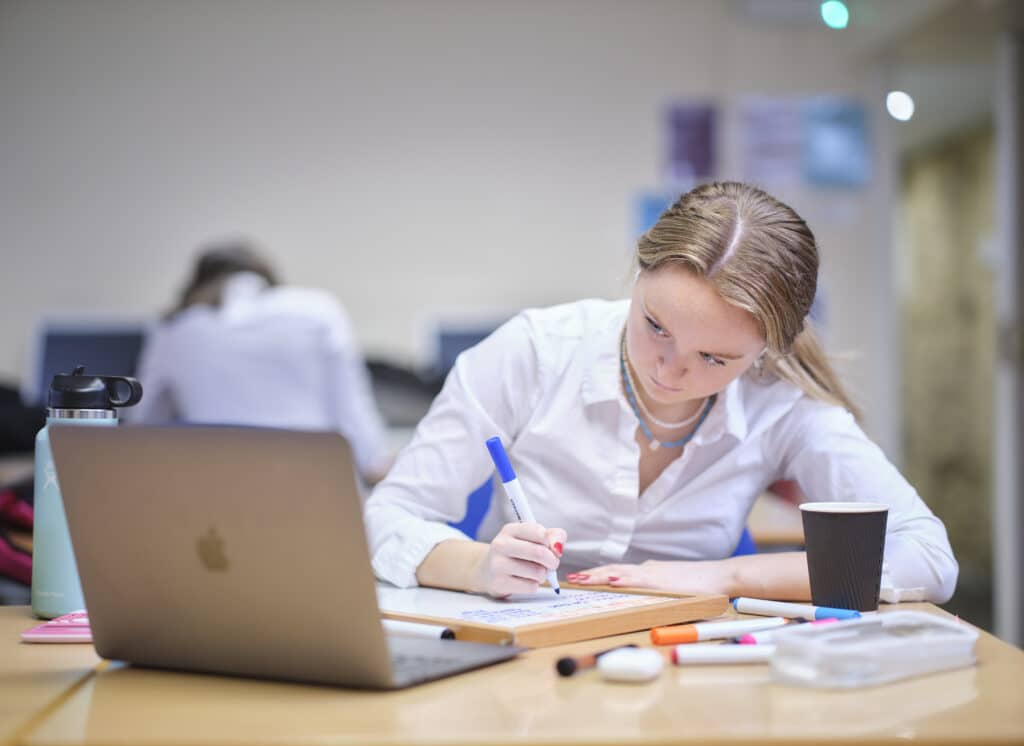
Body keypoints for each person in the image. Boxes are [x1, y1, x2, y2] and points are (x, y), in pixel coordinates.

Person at [365, 182, 958, 602]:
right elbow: (386, 517)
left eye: (713, 358)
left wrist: (725, 578)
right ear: (637, 275)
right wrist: (480, 566)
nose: (671, 372)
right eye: (655, 326)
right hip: (525, 649)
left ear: (764, 353)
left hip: (691, 658)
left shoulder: (783, 402)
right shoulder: (534, 352)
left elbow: (926, 555)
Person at [131, 240, 393, 483]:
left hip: (216, 489)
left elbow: (143, 425)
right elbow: (352, 411)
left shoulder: (175, 327)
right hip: (316, 482)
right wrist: (376, 463)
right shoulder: (318, 309)